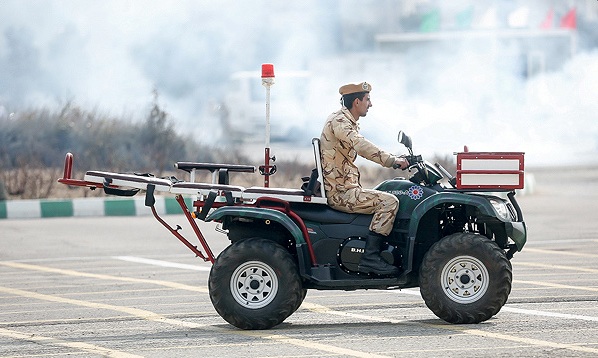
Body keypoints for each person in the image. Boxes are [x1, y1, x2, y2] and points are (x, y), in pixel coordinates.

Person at [320, 82, 408, 276]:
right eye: (368, 99)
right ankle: (370, 258)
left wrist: (398, 157)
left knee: (388, 192)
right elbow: (360, 145)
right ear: (357, 101)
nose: (371, 104)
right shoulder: (340, 121)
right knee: (389, 202)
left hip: (346, 187)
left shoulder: (347, 120)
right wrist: (391, 160)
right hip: (341, 193)